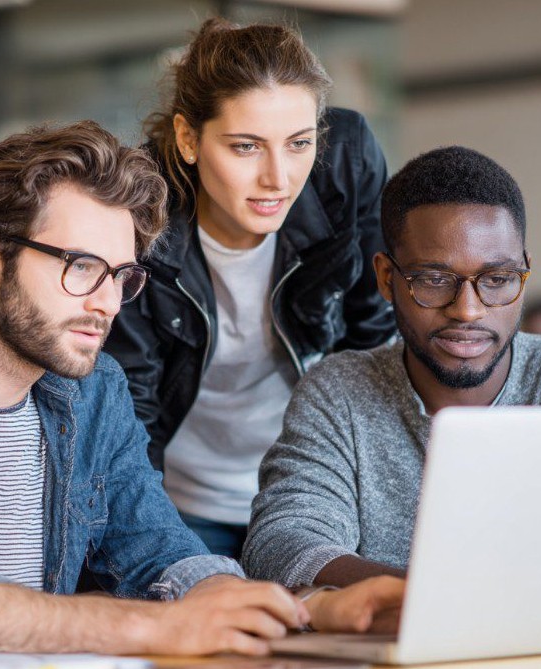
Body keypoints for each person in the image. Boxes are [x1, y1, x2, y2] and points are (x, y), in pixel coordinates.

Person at [0, 121, 322, 660]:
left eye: (121, 274)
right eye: (83, 267)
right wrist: (154, 628)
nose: (110, 304)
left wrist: (279, 606)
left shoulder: (95, 391)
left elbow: (161, 551)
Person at [242, 146, 541, 597]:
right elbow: (282, 543)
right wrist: (443, 599)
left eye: (497, 279)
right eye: (433, 280)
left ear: (525, 273)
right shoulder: (339, 391)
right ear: (386, 278)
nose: (468, 311)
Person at [104, 18, 395, 559]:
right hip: (181, 505)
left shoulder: (346, 164)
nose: (278, 178)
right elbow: (130, 415)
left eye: (298, 144)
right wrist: (161, 555)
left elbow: (375, 344)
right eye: (245, 147)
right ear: (189, 138)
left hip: (314, 496)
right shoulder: (137, 215)